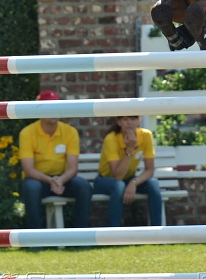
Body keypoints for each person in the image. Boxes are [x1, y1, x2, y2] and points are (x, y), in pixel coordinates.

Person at [19, 90, 92, 229]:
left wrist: (60, 180)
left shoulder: (70, 132)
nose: (53, 111)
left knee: (84, 187)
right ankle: (35, 239)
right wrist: (51, 181)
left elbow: (73, 168)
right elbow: (28, 169)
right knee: (31, 188)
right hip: (38, 180)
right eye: (48, 107)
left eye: (56, 107)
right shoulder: (27, 133)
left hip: (62, 179)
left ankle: (81, 237)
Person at [94, 115, 163, 227]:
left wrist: (134, 182)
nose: (129, 123)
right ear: (119, 122)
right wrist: (129, 149)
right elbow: (118, 176)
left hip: (129, 179)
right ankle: (114, 233)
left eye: (132, 119)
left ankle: (158, 232)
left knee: (153, 184)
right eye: (125, 119)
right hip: (105, 180)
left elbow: (150, 170)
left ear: (139, 120)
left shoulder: (146, 135)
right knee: (119, 185)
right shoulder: (111, 139)